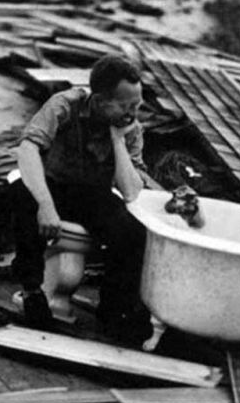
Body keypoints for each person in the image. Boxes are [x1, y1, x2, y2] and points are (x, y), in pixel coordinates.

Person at [11, 54, 151, 340]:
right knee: (21, 198)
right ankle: (32, 290)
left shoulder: (129, 128)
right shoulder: (65, 104)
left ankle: (114, 310)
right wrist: (45, 206)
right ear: (99, 101)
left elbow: (131, 191)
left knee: (132, 229)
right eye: (125, 106)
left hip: (91, 194)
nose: (132, 113)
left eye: (137, 105)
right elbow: (27, 150)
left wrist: (117, 139)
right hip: (52, 185)